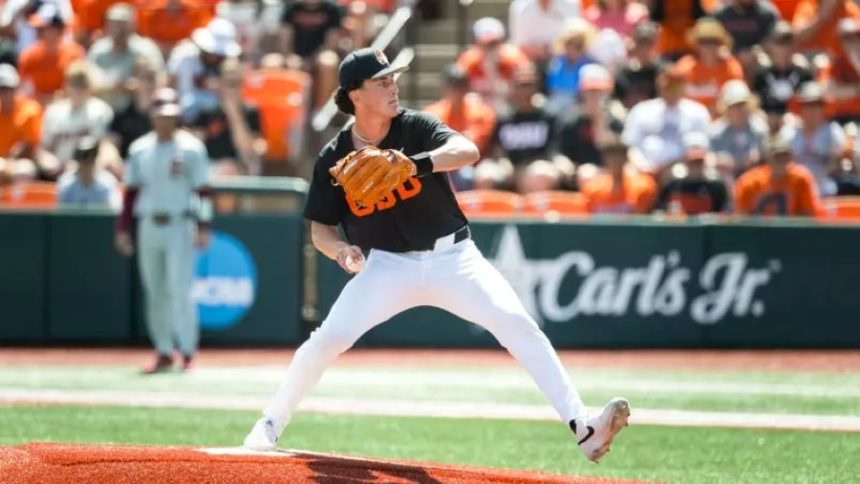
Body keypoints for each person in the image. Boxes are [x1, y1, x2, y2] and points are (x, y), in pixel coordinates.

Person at [242, 47, 630, 462]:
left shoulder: (414, 126)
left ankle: (583, 426)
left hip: (454, 259)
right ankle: (269, 423)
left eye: (393, 79)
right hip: (386, 265)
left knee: (517, 324)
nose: (394, 87)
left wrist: (414, 163)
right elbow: (320, 229)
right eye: (382, 81)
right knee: (327, 340)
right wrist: (341, 251)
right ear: (355, 94)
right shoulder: (334, 156)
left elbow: (467, 151)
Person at [115, 87, 213, 374]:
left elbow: (204, 191)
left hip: (179, 222)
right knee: (155, 290)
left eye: (170, 114)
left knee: (179, 289)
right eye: (160, 114)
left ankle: (187, 350)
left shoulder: (191, 147)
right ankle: (162, 349)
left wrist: (204, 225)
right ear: (152, 116)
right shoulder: (140, 148)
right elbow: (130, 192)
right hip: (148, 223)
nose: (165, 120)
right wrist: (123, 228)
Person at [622, 65, 711, 177]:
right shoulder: (641, 110)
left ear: (683, 88)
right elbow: (630, 146)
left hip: (684, 169)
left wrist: (674, 165)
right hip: (644, 169)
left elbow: (703, 148)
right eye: (667, 88)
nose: (670, 92)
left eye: (674, 88)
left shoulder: (697, 112)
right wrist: (643, 166)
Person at [734, 135, 819, 216]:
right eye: (777, 156)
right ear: (768, 159)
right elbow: (742, 217)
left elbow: (809, 214)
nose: (782, 161)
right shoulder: (749, 182)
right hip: (759, 230)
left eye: (785, 156)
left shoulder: (801, 180)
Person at [655, 132, 730, 215]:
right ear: (685, 161)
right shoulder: (673, 183)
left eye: (699, 162)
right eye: (693, 162)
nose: (696, 167)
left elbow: (724, 213)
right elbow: (659, 210)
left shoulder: (716, 185)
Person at [580, 138, 657, 214]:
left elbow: (640, 219)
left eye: (619, 155)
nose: (615, 160)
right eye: (611, 155)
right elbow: (589, 218)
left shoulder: (643, 185)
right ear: (604, 159)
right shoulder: (592, 188)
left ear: (626, 157)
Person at [57, 135, 120, 209]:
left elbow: (115, 211)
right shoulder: (66, 183)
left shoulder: (107, 182)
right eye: (82, 155)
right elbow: (62, 213)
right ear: (76, 157)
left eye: (92, 154)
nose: (87, 159)